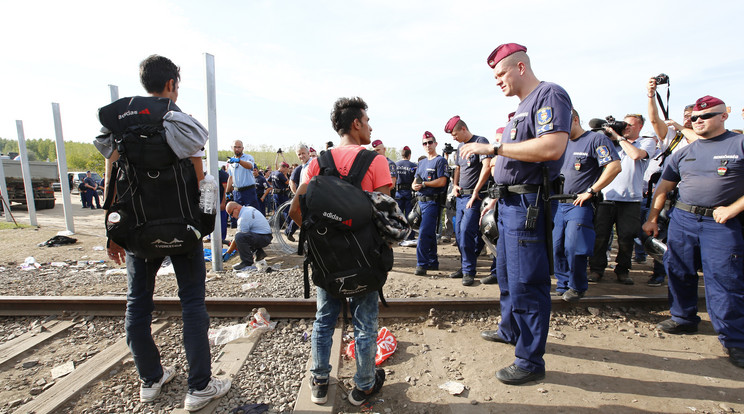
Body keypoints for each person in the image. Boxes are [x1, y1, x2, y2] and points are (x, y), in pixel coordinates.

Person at [97, 55, 230, 411]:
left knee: (137, 304)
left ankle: (150, 379)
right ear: (172, 84)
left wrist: (112, 232)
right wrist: (204, 227)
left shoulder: (120, 125)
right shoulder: (181, 124)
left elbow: (113, 182)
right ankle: (199, 386)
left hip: (138, 232)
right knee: (192, 304)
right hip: (182, 231)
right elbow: (202, 181)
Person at [460, 43, 571, 385]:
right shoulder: (521, 108)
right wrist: (495, 195)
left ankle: (530, 360)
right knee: (508, 278)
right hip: (508, 204)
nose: (497, 81)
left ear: (520, 67)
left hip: (527, 206)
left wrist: (493, 148)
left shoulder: (548, 95)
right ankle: (510, 330)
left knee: (527, 283)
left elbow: (551, 146)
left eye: (500, 73)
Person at [289, 96, 390, 406]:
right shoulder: (376, 161)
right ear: (356, 124)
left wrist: (321, 240)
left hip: (328, 259)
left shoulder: (317, 163)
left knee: (324, 319)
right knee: (364, 322)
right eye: (368, 121)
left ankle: (319, 382)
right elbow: (386, 217)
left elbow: (296, 211)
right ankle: (363, 386)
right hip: (365, 259)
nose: (371, 127)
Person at [642, 95, 744, 369]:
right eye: (695, 117)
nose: (698, 121)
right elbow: (663, 188)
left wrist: (733, 209)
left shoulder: (739, 143)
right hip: (683, 219)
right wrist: (653, 218)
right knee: (679, 270)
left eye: (706, 116)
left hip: (721, 224)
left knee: (724, 279)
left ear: (723, 116)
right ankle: (684, 318)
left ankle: (735, 339)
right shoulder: (684, 152)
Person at [552, 109, 621, 301]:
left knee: (574, 247)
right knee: (557, 247)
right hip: (558, 203)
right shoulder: (561, 143)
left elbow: (614, 166)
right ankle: (563, 283)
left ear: (575, 120)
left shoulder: (595, 140)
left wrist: (591, 191)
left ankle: (577, 286)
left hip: (578, 203)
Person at [588, 114, 657, 285]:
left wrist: (619, 138)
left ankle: (623, 270)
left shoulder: (646, 142)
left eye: (630, 125)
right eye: (624, 124)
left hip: (631, 199)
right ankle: (596, 270)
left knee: (627, 237)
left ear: (640, 126)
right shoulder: (610, 143)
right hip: (606, 197)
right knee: (600, 236)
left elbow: (635, 155)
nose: (626, 127)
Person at [445, 115, 492, 286]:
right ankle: (465, 266)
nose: (453, 137)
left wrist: (476, 192)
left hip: (475, 196)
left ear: (463, 129)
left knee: (467, 232)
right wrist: (455, 184)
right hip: (461, 196)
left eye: (455, 134)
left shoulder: (480, 141)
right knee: (459, 234)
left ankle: (469, 271)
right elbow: (457, 167)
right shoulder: (459, 147)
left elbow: (486, 167)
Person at [412, 132, 449, 276]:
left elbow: (442, 181)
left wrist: (424, 184)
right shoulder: (421, 163)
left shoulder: (440, 161)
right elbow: (415, 181)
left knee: (423, 234)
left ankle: (421, 265)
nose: (427, 145)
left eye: (430, 142)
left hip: (432, 203)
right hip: (420, 202)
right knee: (429, 234)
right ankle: (433, 262)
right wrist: (414, 186)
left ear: (435, 143)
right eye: (424, 143)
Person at [223, 201, 272, 271]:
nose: (232, 216)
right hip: (265, 236)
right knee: (245, 237)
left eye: (231, 214)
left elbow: (238, 237)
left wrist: (228, 252)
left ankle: (247, 262)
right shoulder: (248, 208)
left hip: (263, 237)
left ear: (236, 208)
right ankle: (259, 253)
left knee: (239, 237)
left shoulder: (243, 217)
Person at [226, 140, 259, 212]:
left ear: (242, 148)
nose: (237, 149)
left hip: (248, 191)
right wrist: (227, 192)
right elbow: (230, 177)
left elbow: (249, 166)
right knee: (236, 215)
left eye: (239, 147)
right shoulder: (230, 161)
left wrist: (239, 161)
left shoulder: (248, 157)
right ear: (232, 148)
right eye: (235, 147)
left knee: (251, 214)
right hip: (237, 192)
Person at [286, 145, 311, 241]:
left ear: (308, 153)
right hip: (303, 197)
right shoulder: (302, 167)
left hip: (310, 197)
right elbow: (293, 182)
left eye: (303, 153)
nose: (301, 156)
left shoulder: (312, 164)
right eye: (299, 154)